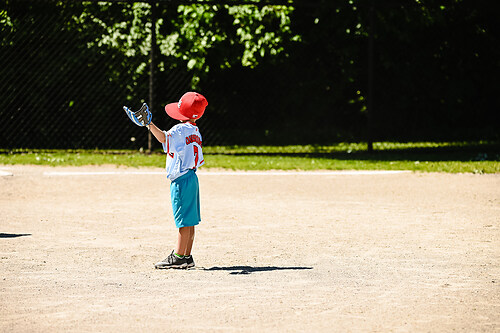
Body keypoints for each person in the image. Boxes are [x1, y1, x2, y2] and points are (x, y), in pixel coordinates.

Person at [147, 92, 208, 269]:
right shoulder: (196, 131)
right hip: (192, 177)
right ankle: (187, 255)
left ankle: (179, 256)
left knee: (182, 219)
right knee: (190, 219)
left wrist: (149, 124)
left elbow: (163, 138)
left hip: (181, 180)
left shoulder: (179, 129)